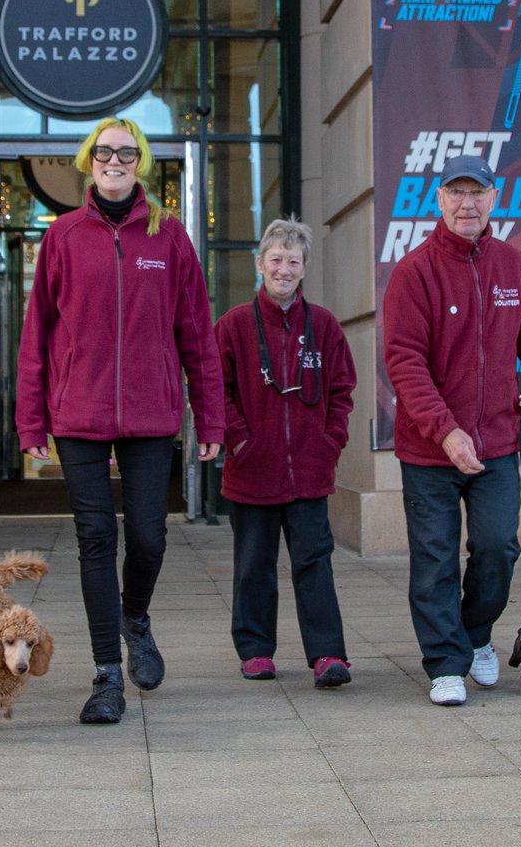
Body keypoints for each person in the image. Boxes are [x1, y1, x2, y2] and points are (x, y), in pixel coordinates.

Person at [15, 116, 225, 725]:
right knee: (95, 540)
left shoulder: (169, 237)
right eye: (104, 151)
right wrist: (32, 425)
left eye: (126, 153)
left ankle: (136, 616)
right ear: (88, 160)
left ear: (140, 162)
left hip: (152, 414)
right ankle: (107, 673)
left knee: (151, 537)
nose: (114, 160)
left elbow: (197, 339)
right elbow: (36, 339)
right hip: (77, 414)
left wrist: (209, 420)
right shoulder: (63, 236)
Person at [382, 153, 521, 707]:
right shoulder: (414, 271)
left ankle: (474, 635)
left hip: (499, 443)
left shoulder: (512, 265)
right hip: (430, 450)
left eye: (476, 192)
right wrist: (446, 431)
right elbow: (404, 361)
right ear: (439, 200)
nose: (467, 203)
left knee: (498, 549)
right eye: (455, 193)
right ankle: (444, 663)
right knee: (433, 558)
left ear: (493, 197)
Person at [215, 217, 357, 688]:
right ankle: (255, 650)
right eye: (275, 260)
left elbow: (342, 391)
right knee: (254, 563)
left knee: (314, 561)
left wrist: (330, 442)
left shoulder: (325, 326)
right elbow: (217, 390)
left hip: (310, 473)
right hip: (252, 470)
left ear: (304, 268)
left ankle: (328, 654)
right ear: (259, 264)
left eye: (292, 261)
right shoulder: (234, 326)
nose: (283, 269)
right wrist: (239, 441)